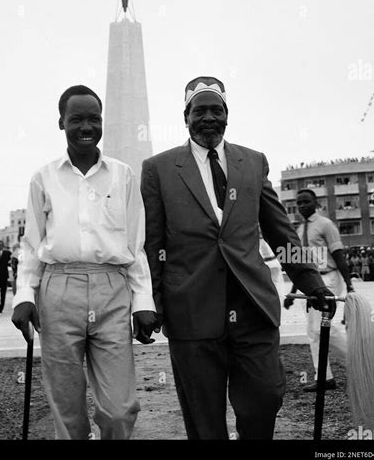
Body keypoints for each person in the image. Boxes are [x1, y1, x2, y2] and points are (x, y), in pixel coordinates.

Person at [140, 76, 335, 440]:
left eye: (217, 110)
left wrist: (312, 283)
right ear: (186, 117)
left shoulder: (253, 162)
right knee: (204, 420)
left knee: (265, 397)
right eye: (200, 111)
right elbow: (152, 244)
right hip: (191, 311)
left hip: (251, 307)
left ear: (227, 114)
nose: (209, 117)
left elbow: (280, 232)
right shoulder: (159, 169)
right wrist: (150, 302)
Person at [11, 84, 157, 440]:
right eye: (77, 119)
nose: (87, 126)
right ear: (61, 122)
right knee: (67, 405)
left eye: (94, 118)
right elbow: (31, 246)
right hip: (58, 289)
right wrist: (24, 297)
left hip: (112, 289)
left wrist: (143, 301)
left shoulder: (123, 175)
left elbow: (136, 245)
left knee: (119, 410)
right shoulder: (43, 177)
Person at [284, 189, 354, 391]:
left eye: (306, 201)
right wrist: (293, 291)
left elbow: (338, 254)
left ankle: (355, 360)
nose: (302, 206)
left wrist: (349, 285)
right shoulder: (298, 231)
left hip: (328, 278)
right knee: (313, 332)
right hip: (312, 282)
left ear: (316, 202)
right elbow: (300, 265)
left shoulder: (325, 224)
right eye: (298, 203)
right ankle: (325, 377)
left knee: (320, 328)